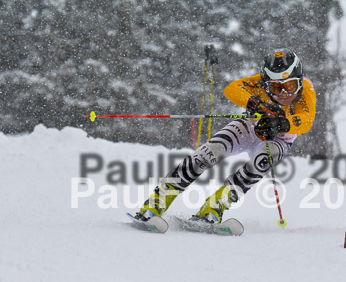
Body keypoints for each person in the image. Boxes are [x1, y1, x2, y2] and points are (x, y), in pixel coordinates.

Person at [135, 48, 316, 224]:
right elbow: (232, 89)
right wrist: (255, 104)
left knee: (262, 161)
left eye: (291, 86)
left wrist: (282, 124)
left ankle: (214, 207)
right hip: (250, 126)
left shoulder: (306, 90)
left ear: (299, 81)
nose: (285, 94)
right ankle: (156, 202)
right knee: (208, 153)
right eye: (276, 88)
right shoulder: (260, 82)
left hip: (279, 139)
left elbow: (306, 121)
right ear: (266, 82)